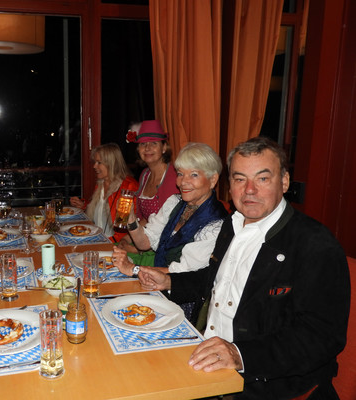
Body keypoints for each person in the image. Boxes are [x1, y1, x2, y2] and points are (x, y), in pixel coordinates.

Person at [138, 137, 350, 399]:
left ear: (284, 182)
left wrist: (239, 355)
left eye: (263, 178)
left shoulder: (315, 244)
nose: (249, 190)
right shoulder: (232, 224)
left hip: (261, 385)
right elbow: (215, 279)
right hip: (204, 357)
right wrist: (169, 282)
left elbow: (321, 337)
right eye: (240, 179)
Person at [113, 143, 228, 319]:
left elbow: (181, 272)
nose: (183, 182)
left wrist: (134, 269)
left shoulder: (216, 224)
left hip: (181, 302)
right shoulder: (175, 202)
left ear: (213, 180)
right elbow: (145, 243)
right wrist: (130, 219)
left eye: (194, 175)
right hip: (154, 285)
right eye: (180, 174)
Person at [117, 120, 180, 256]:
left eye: (154, 143)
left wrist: (137, 249)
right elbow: (145, 219)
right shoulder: (145, 175)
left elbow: (172, 227)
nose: (147, 148)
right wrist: (126, 239)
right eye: (143, 144)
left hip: (164, 250)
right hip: (144, 240)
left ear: (164, 148)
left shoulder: (174, 177)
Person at [70, 143, 139, 242]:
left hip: (115, 244)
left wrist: (105, 242)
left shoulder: (129, 187)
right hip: (97, 239)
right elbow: (100, 213)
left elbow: (127, 228)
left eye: (99, 162)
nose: (94, 166)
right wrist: (84, 206)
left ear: (112, 163)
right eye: (95, 162)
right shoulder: (101, 184)